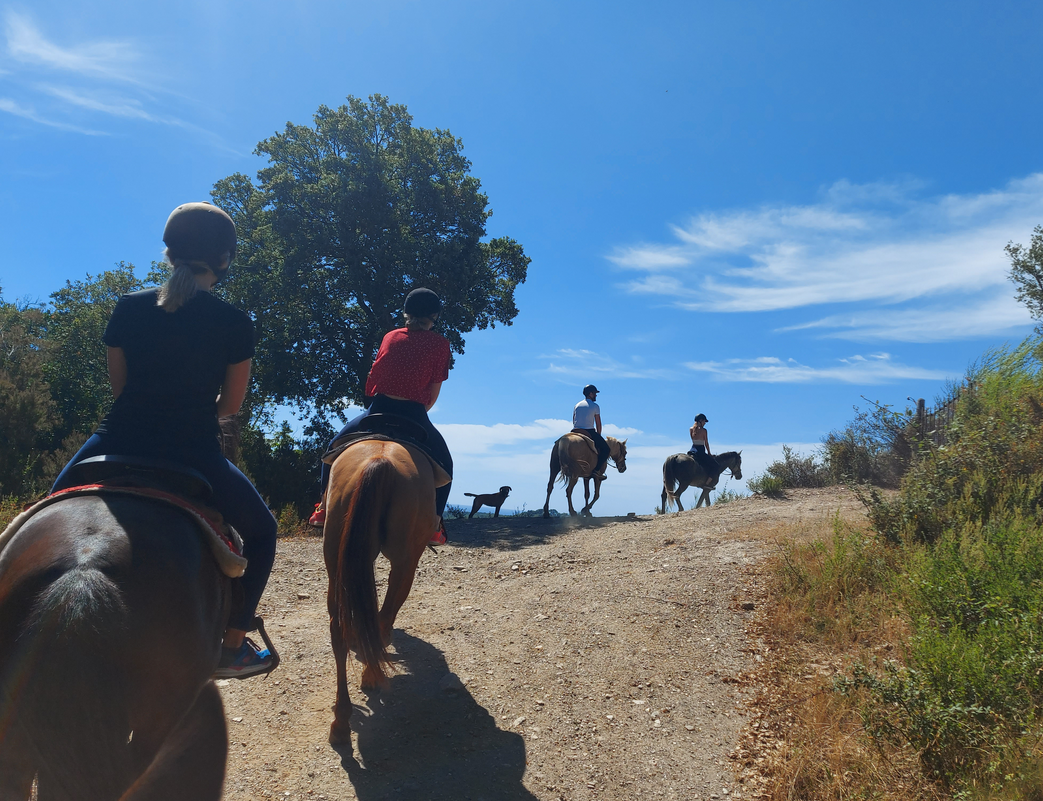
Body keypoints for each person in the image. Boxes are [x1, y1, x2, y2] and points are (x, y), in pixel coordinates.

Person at [51, 202, 277, 679]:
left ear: (169, 251)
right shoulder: (234, 322)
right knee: (262, 533)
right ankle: (232, 646)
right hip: (193, 450)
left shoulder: (129, 307)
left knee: (46, 512)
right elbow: (230, 407)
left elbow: (120, 388)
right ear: (225, 259)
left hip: (115, 439)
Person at [309, 288, 453, 544]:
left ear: (406, 312)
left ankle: (323, 506)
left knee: (332, 450)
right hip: (415, 413)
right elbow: (433, 393)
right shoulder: (440, 344)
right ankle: (435, 523)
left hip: (377, 408)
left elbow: (373, 378)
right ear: (433, 316)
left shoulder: (390, 336)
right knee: (446, 464)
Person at [572, 384, 610, 477]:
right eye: (595, 393)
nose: (596, 395)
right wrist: (599, 435)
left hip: (575, 430)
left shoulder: (577, 405)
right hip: (589, 431)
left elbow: (574, 419)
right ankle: (596, 471)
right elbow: (598, 423)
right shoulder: (595, 406)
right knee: (606, 449)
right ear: (590, 394)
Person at [688, 413, 721, 487]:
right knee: (716, 466)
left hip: (692, 450)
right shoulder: (704, 431)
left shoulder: (691, 429)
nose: (705, 423)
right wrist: (709, 453)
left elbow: (693, 440)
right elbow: (706, 443)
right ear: (700, 421)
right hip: (700, 451)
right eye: (704, 421)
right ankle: (707, 484)